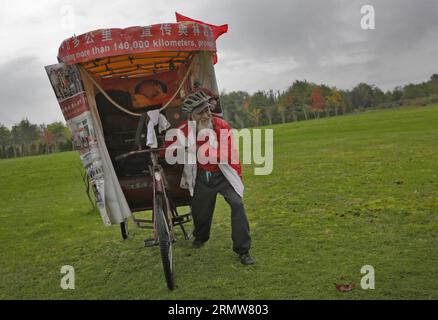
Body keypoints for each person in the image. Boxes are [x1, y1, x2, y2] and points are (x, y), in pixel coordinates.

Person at [169, 90, 255, 265]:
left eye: (208, 110)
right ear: (191, 115)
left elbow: (226, 154)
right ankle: (201, 237)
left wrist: (198, 151)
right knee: (201, 213)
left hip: (223, 174)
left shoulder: (221, 125)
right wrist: (178, 151)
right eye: (201, 112)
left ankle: (243, 250)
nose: (207, 115)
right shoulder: (183, 131)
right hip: (201, 177)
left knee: (237, 204)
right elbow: (170, 150)